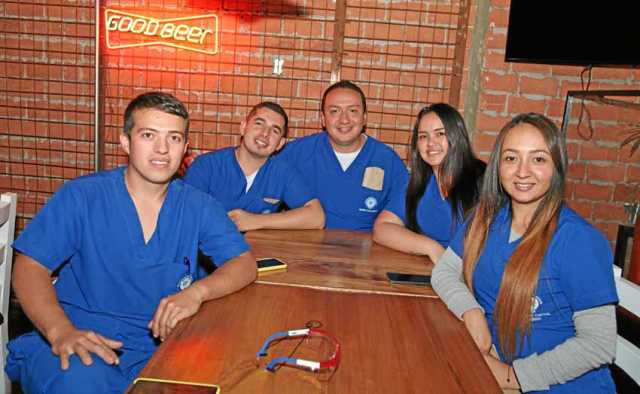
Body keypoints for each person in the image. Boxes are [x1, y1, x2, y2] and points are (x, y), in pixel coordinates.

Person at [6, 92, 257, 393]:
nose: (162, 149)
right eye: (148, 135)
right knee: (80, 381)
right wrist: (60, 331)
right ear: (126, 142)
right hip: (78, 336)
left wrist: (197, 293)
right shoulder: (83, 196)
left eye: (174, 138)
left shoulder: (198, 206)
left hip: (159, 347)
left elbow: (243, 263)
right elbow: (29, 265)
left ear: (186, 149)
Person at [432, 113, 618, 392]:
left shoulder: (579, 240)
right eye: (511, 158)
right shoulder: (485, 219)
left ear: (557, 166)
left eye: (538, 159)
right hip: (492, 369)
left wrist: (512, 376)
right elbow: (444, 271)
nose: (522, 171)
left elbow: (598, 345)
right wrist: (470, 311)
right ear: (497, 166)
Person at [278, 80, 409, 232]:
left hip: (366, 251)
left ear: (364, 117)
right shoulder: (295, 153)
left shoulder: (388, 161)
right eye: (334, 111)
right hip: (306, 249)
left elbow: (399, 218)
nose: (344, 119)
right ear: (323, 119)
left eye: (353, 111)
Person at [184, 101, 325, 231]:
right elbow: (187, 217)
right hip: (205, 254)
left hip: (259, 253)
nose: (265, 133)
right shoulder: (205, 166)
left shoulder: (282, 172)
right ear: (243, 127)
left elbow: (317, 217)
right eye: (259, 123)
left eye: (275, 130)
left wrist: (255, 220)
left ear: (280, 144)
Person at [372, 103, 485, 263]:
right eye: (423, 136)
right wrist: (430, 247)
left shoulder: (482, 181)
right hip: (433, 274)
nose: (431, 143)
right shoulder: (418, 183)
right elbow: (381, 228)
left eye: (440, 134)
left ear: (456, 135)